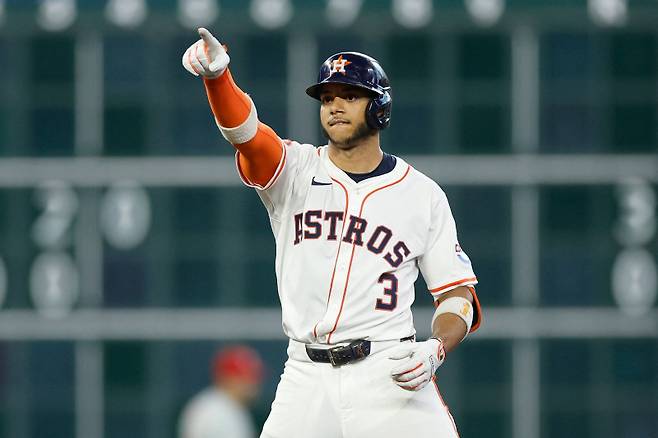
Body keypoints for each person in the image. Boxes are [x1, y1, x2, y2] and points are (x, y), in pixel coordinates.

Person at [182, 28, 482, 438]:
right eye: (327, 98)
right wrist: (218, 80)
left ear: (380, 108)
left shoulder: (421, 195)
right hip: (306, 376)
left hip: (388, 371)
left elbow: (457, 297)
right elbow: (247, 135)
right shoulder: (295, 170)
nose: (335, 106)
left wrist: (435, 349)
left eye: (349, 96)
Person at [178, 345, 264, 438]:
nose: (255, 385)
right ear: (229, 378)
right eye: (248, 378)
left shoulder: (226, 406)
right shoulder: (218, 411)